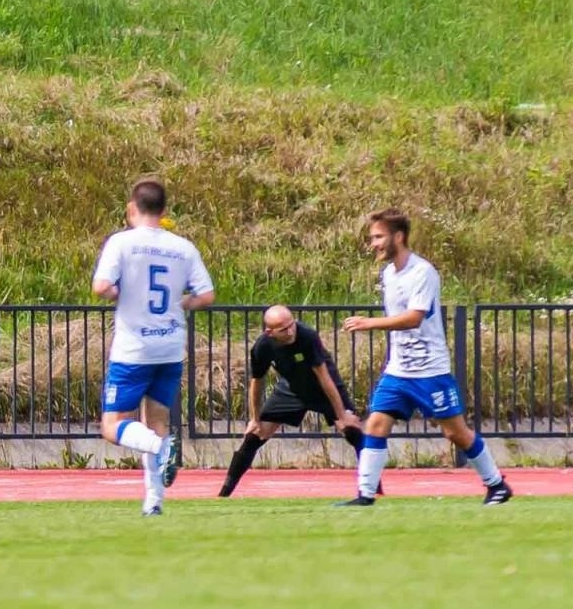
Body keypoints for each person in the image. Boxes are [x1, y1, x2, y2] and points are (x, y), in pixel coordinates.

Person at [338, 209, 513, 507]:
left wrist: (370, 323)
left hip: (429, 370)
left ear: (398, 236)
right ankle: (365, 496)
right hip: (399, 370)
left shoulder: (423, 272)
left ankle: (496, 485)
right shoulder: (388, 274)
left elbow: (414, 318)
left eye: (378, 237)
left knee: (453, 432)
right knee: (376, 425)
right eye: (372, 238)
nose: (373, 244)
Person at [92, 179, 214, 516]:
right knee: (157, 419)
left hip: (134, 348)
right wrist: (182, 303)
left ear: (132, 207)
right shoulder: (183, 247)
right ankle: (154, 502)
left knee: (113, 426)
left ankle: (161, 449)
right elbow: (206, 295)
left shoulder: (122, 242)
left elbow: (101, 286)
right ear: (163, 211)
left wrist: (122, 293)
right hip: (171, 345)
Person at [217, 304, 375, 498]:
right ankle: (224, 494)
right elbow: (257, 382)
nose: (291, 331)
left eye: (292, 324)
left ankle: (373, 489)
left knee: (352, 431)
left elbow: (324, 377)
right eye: (284, 329)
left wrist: (341, 414)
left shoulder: (306, 336)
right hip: (291, 389)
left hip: (323, 387)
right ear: (270, 331)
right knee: (254, 436)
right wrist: (255, 419)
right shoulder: (262, 346)